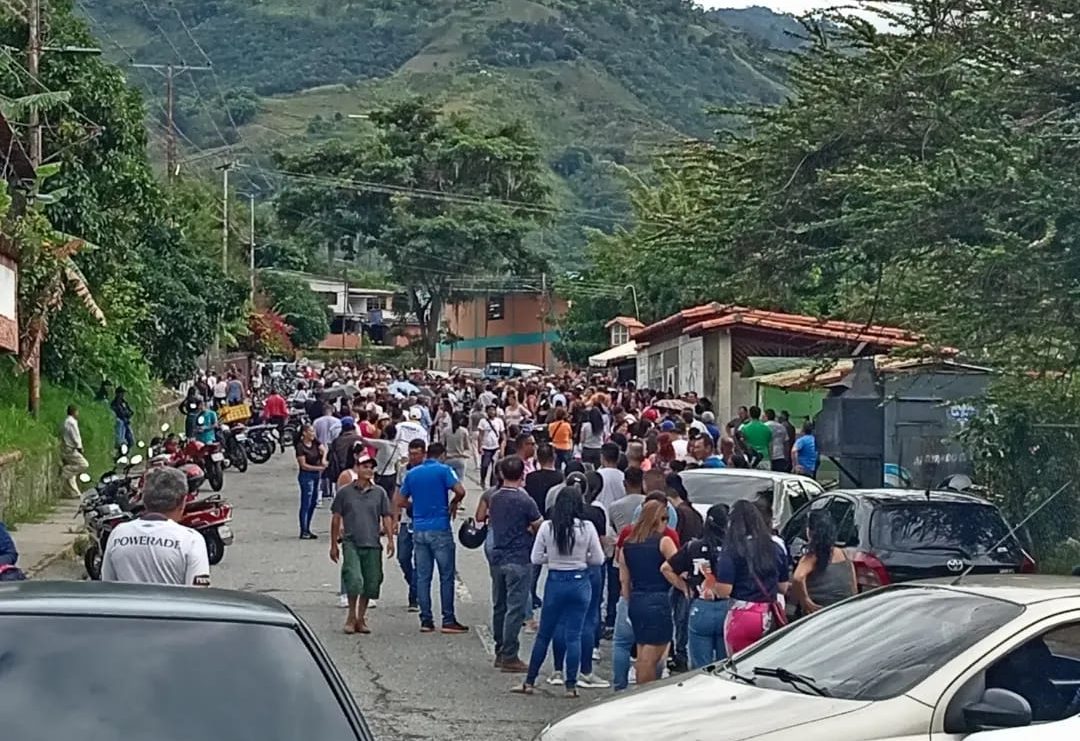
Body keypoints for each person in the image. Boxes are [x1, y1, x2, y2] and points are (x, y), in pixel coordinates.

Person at [513, 485, 604, 698]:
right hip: (580, 581)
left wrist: (552, 559)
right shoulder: (587, 527)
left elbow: (535, 558)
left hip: (556, 581)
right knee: (574, 635)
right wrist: (582, 559)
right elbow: (598, 559)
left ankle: (530, 681)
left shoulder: (548, 527)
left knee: (545, 634)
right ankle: (571, 685)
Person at [396, 442, 468, 633]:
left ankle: (426, 620)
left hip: (419, 528)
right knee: (446, 575)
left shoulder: (412, 474)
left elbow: (400, 501)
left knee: (422, 576)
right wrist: (454, 503)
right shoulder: (444, 470)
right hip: (440, 527)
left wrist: (416, 506)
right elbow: (460, 491)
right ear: (442, 455)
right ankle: (448, 619)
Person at [101, 467, 210, 586]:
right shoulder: (191, 541)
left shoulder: (118, 534)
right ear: (183, 501)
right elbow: (198, 595)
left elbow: (107, 585)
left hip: (126, 604)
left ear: (144, 499)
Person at [710, 500, 790, 655]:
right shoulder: (775, 547)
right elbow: (783, 587)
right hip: (769, 614)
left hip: (742, 615)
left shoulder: (733, 549)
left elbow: (724, 591)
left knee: (738, 665)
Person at [488, 456, 543, 673]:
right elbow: (539, 525)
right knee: (515, 608)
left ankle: (500, 649)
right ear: (522, 474)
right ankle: (510, 654)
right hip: (519, 557)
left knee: (499, 605)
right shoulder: (525, 500)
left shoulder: (495, 497)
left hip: (497, 556)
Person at [330, 453, 395, 634]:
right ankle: (351, 616)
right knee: (354, 579)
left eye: (371, 467)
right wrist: (334, 544)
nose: (368, 470)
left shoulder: (379, 492)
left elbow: (386, 516)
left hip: (372, 542)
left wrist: (390, 539)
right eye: (364, 466)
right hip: (351, 541)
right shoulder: (345, 492)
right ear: (356, 468)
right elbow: (336, 518)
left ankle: (361, 617)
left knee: (371, 581)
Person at [619, 499, 679, 686]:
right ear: (654, 520)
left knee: (642, 647)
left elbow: (624, 579)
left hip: (637, 598)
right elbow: (678, 566)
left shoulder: (627, 544)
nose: (665, 523)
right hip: (659, 598)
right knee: (653, 654)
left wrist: (629, 600)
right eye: (663, 519)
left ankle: (639, 688)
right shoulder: (664, 542)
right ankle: (644, 691)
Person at [662, 503, 730, 669]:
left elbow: (666, 568)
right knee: (725, 665)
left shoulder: (693, 547)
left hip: (699, 606)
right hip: (727, 606)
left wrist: (684, 587)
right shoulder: (734, 550)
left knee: (700, 668)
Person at [664, 473, 703, 672]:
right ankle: (680, 651)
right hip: (692, 570)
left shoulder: (678, 514)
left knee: (679, 616)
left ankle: (679, 653)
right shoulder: (694, 512)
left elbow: (675, 543)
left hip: (681, 569)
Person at [791, 510, 856, 614]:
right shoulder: (843, 553)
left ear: (810, 531)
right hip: (843, 609)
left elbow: (798, 577)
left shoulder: (812, 556)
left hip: (820, 612)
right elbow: (852, 583)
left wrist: (806, 602)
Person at [295, 423, 327, 540]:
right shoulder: (300, 447)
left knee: (313, 502)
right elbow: (303, 465)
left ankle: (308, 528)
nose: (313, 434)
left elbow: (324, 449)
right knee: (306, 502)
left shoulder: (315, 442)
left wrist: (323, 459)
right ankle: (303, 529)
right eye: (311, 432)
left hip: (315, 475)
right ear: (304, 433)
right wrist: (319, 468)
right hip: (306, 475)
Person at [314, 404, 343, 505]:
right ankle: (335, 495)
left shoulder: (317, 422)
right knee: (335, 473)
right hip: (333, 450)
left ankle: (319, 498)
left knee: (320, 474)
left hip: (320, 449)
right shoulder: (337, 422)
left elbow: (314, 437)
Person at [60, 404, 88, 499]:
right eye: (77, 412)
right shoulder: (71, 422)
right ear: (74, 412)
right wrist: (79, 447)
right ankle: (66, 471)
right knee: (84, 464)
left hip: (67, 448)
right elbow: (75, 436)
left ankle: (74, 492)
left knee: (72, 476)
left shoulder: (66, 421)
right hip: (70, 449)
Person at [477, 405, 506, 487]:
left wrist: (502, 446)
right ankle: (482, 479)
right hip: (486, 447)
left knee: (495, 468)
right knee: (484, 465)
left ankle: (492, 485)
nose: (492, 412)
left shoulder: (499, 421)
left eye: (493, 410)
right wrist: (480, 446)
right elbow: (480, 435)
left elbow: (502, 434)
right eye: (490, 410)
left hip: (496, 447)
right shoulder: (483, 421)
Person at [595, 442, 625, 511]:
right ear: (618, 459)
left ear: (602, 457)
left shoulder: (597, 475)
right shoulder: (623, 476)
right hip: (618, 516)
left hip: (601, 514)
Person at [443, 411, 471, 483]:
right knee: (460, 481)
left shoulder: (446, 430)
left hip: (448, 458)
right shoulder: (464, 431)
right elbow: (467, 446)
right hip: (460, 458)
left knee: (447, 481)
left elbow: (442, 445)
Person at [548, 406, 574, 472]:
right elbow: (570, 435)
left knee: (557, 467)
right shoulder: (567, 425)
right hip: (566, 447)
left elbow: (550, 436)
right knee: (570, 466)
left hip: (555, 447)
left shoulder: (551, 425)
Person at [111, 387, 134, 452]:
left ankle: (126, 453)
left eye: (123, 393)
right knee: (120, 440)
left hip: (126, 422)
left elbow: (131, 412)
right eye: (121, 393)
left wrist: (127, 413)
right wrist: (125, 413)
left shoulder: (124, 402)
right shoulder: (115, 403)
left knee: (130, 440)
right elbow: (119, 412)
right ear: (117, 394)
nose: (122, 395)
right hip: (121, 422)